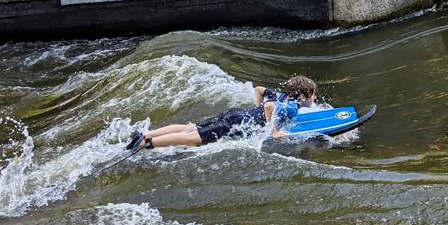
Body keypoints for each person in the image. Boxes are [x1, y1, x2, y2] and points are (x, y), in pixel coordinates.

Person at [125, 75, 318, 150]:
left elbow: (259, 89)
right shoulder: (293, 107)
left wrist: (254, 110)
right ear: (302, 96)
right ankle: (146, 143)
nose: (314, 99)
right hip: (235, 124)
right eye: (313, 95)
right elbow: (269, 108)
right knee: (192, 138)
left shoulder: (282, 95)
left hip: (235, 114)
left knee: (189, 128)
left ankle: (146, 134)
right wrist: (273, 131)